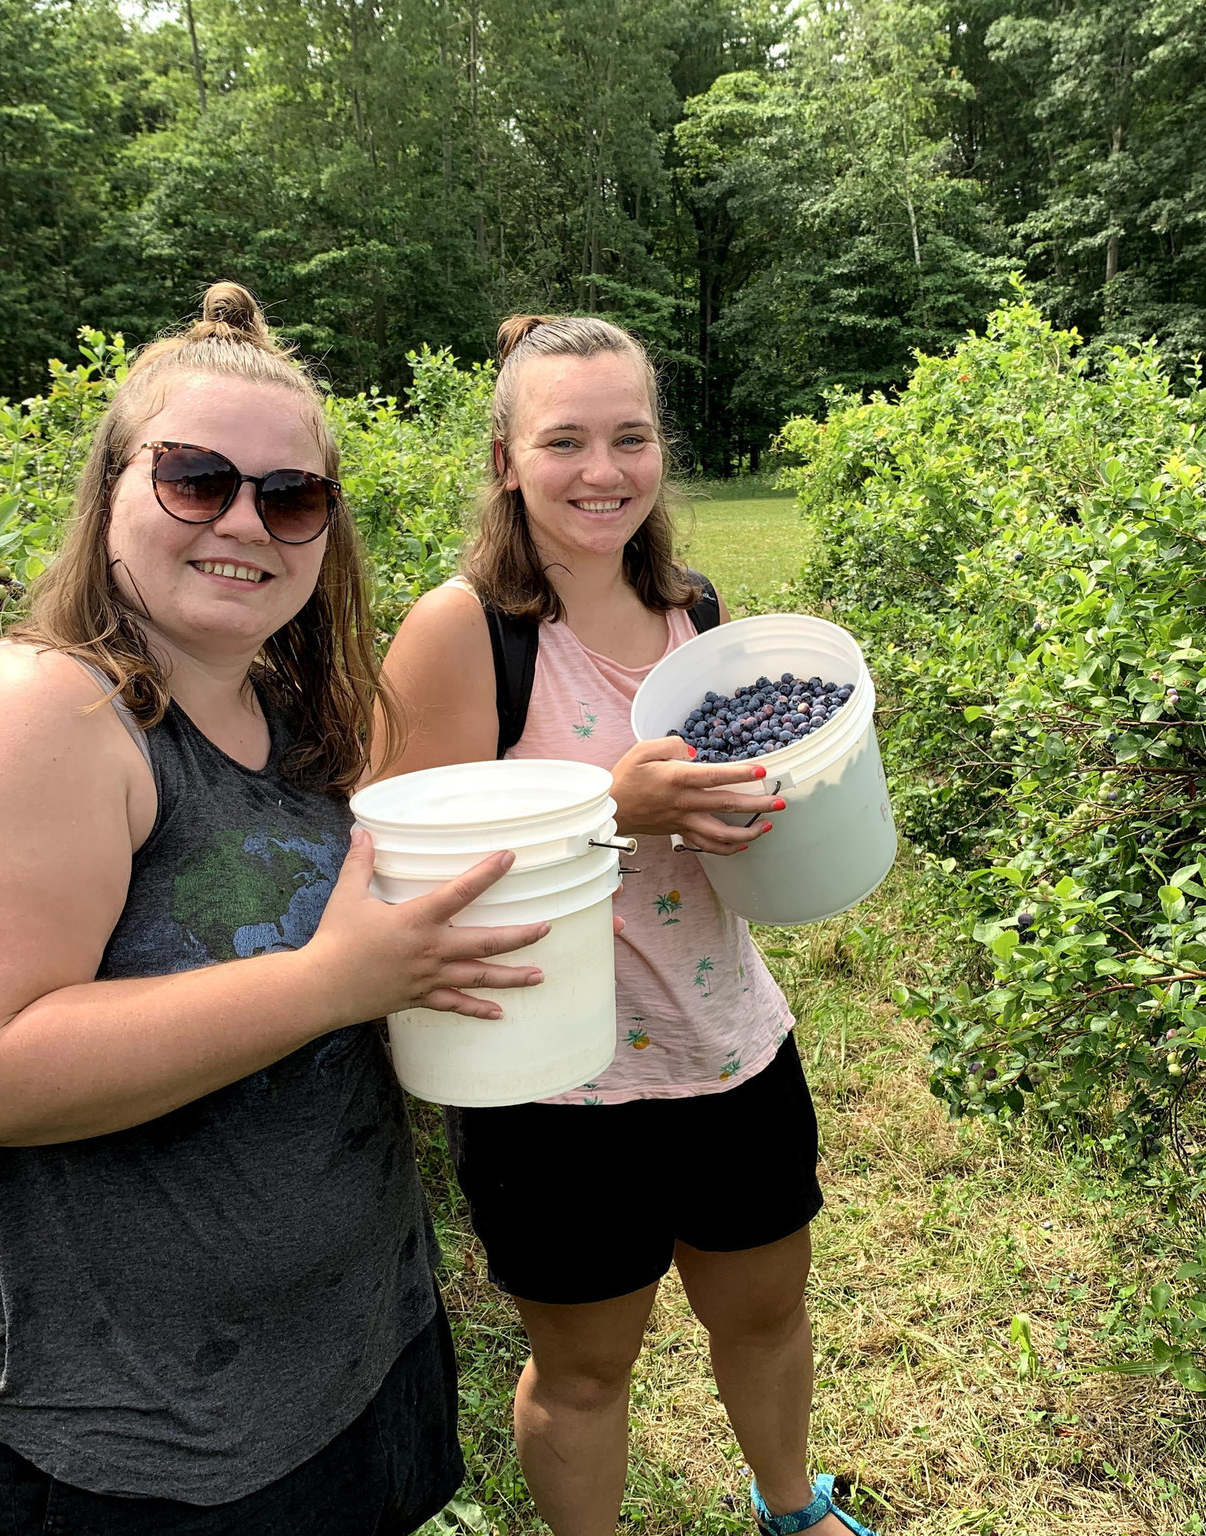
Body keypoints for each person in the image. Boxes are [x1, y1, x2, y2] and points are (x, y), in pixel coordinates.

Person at [0, 284, 550, 1536]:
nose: (247, 520)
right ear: (113, 488)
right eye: (196, 479)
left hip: (346, 1356)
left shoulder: (287, 716)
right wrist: (331, 983)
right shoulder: (37, 711)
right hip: (143, 1439)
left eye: (291, 496)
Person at [376, 314, 874, 1536]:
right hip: (554, 1085)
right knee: (588, 1369)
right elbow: (409, 863)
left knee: (763, 1313)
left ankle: (791, 1510)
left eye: (630, 437)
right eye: (564, 441)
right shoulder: (461, 632)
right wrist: (615, 805)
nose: (602, 470)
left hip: (725, 1040)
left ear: (661, 451)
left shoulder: (694, 611)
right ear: (505, 459)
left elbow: (718, 799)